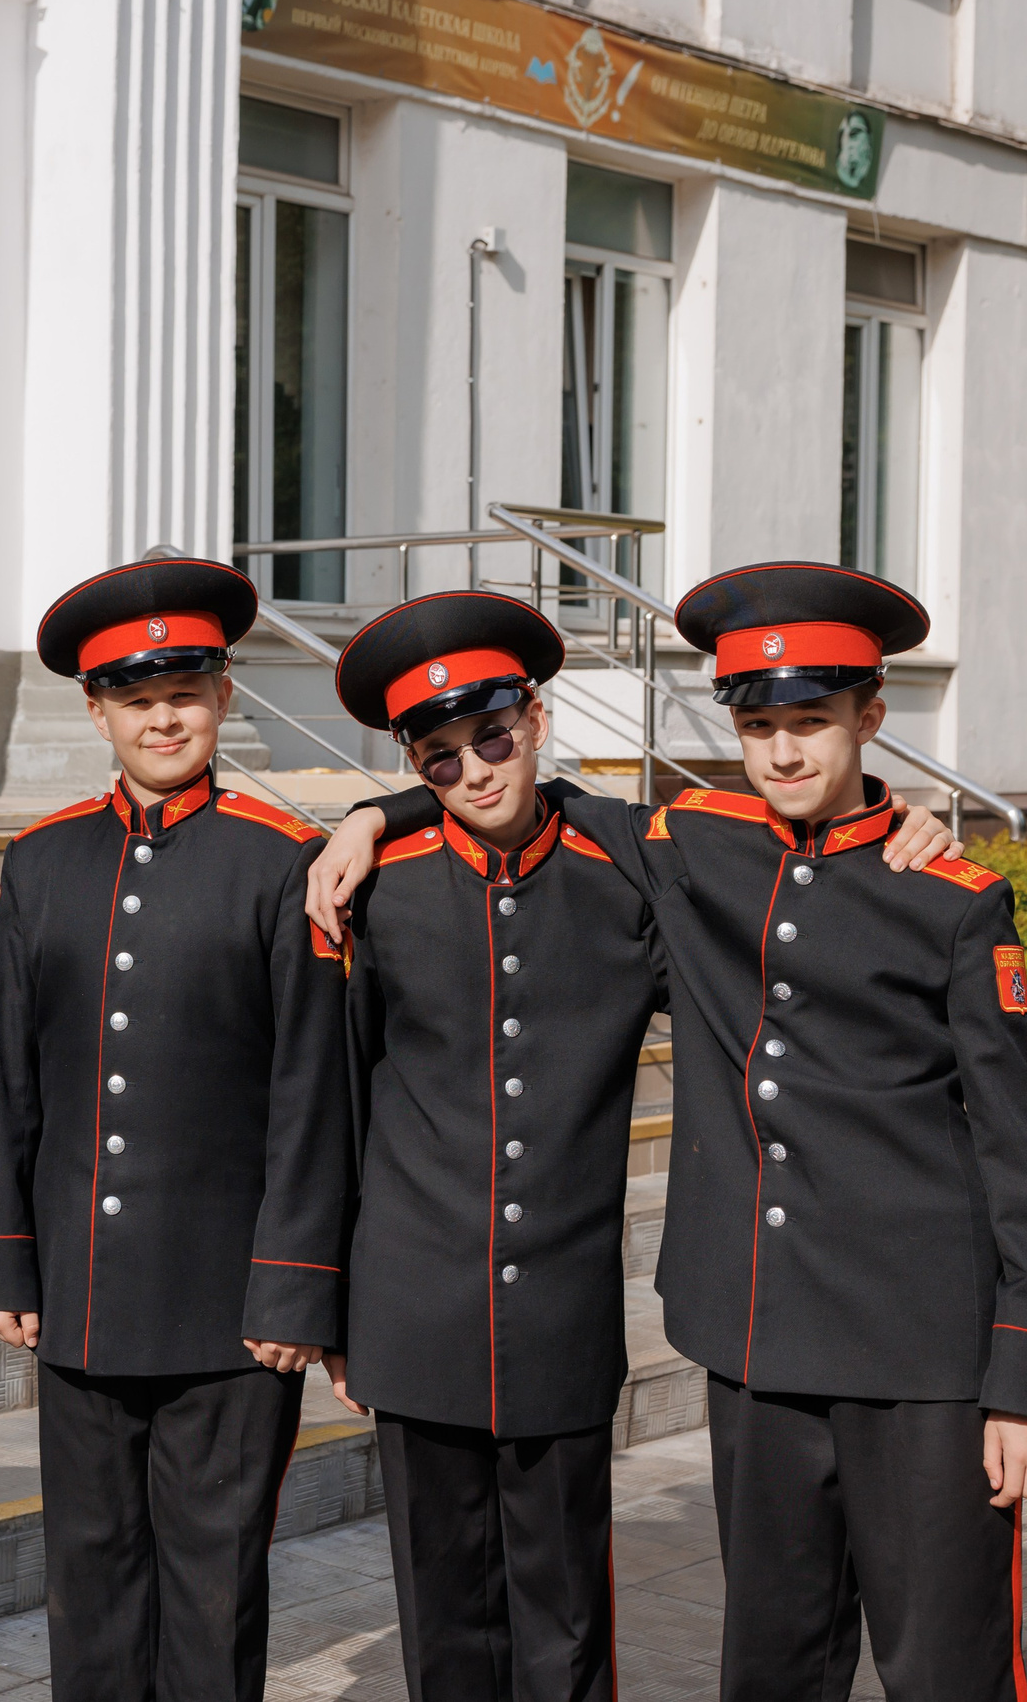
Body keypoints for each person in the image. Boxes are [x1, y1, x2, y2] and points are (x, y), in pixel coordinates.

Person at [312, 563, 1027, 1701]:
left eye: (810, 721)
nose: (781, 752)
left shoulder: (951, 894)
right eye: (757, 725)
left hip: (924, 1351)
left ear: (870, 715)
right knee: (768, 1663)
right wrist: (378, 811)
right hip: (755, 1333)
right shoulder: (691, 841)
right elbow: (511, 800)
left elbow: (1022, 1149)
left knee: (943, 1664)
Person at [0, 558, 351, 1702]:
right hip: (81, 1290)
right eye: (135, 698)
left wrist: (292, 1285)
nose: (163, 717)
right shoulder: (41, 861)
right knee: (88, 1577)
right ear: (96, 711)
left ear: (224, 694)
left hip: (229, 1305)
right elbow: (10, 1079)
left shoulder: (281, 859)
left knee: (212, 1583)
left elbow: (312, 1090)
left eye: (183, 690)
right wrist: (6, 1255)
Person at [324, 591, 661, 1702]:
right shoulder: (384, 889)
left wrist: (900, 814)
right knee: (446, 1620)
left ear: (538, 720)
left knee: (564, 1624)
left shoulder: (627, 870)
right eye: (438, 759)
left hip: (559, 1313)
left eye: (493, 737)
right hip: (413, 1310)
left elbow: (758, 853)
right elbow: (333, 1098)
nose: (473, 771)